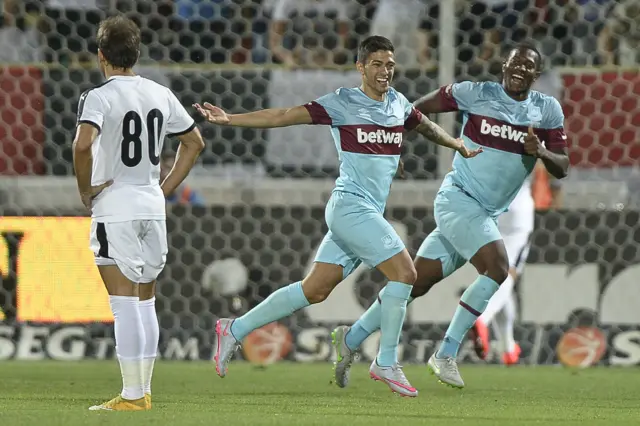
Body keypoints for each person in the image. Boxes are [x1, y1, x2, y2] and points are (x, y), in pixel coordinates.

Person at [195, 35, 481, 397]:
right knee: (406, 272)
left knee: (314, 290)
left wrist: (454, 143)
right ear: (361, 67)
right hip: (349, 207)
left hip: (366, 211)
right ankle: (386, 361)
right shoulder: (342, 102)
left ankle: (232, 329)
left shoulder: (398, 103)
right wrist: (230, 119)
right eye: (376, 64)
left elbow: (423, 125)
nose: (384, 71)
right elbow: (284, 115)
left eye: (389, 65)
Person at [330, 42, 569, 389]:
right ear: (504, 64)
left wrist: (542, 150)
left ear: (536, 73)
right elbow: (414, 113)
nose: (520, 70)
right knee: (499, 268)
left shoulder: (547, 110)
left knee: (415, 282)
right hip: (459, 200)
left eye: (529, 66)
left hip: (485, 211)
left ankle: (350, 340)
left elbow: (562, 167)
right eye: (516, 63)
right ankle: (445, 353)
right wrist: (389, 147)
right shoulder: (475, 93)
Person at [73, 15, 205, 411]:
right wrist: (162, 189)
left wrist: (85, 190)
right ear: (137, 54)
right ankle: (142, 391)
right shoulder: (160, 92)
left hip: (116, 209)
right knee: (146, 300)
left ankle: (132, 395)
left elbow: (82, 146)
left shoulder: (98, 97)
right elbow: (194, 142)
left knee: (124, 303)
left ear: (101, 56)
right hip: (152, 208)